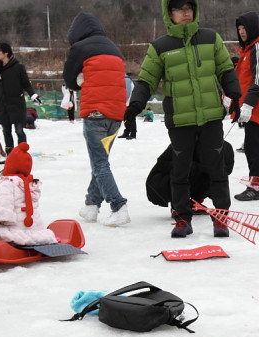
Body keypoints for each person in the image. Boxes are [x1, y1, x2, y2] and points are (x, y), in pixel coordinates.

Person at [126, 0, 241, 238]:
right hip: (180, 120)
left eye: (189, 8)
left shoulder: (211, 38)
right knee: (180, 170)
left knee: (216, 168)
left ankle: (220, 218)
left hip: (210, 116)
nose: (186, 13)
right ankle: (181, 219)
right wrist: (135, 104)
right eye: (179, 8)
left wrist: (235, 95)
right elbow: (147, 80)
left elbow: (225, 69)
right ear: (170, 13)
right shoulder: (160, 46)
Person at [64, 11, 130, 227]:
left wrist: (79, 81)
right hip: (116, 115)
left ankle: (118, 206)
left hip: (95, 114)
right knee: (100, 161)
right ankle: (91, 205)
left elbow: (69, 80)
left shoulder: (80, 48)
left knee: (100, 164)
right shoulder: (114, 48)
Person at [0, 142, 57, 247]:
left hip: (13, 232)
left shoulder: (7, 184)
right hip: (33, 231)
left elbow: (2, 209)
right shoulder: (31, 186)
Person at [232, 11, 259, 203]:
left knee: (253, 145)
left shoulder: (258, 49)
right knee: (255, 144)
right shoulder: (248, 51)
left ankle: (255, 186)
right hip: (252, 105)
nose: (241, 32)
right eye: (239, 29)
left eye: (244, 28)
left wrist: (248, 104)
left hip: (256, 105)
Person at [0, 42, 41, 156]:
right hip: (3, 105)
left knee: (19, 131)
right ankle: (10, 157)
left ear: (6, 53)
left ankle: (22, 155)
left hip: (16, 104)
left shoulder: (18, 67)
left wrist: (33, 95)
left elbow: (26, 84)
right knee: (6, 131)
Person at [145, 140, 234, 211]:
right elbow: (162, 163)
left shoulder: (225, 148)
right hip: (159, 184)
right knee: (186, 170)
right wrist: (191, 165)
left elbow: (226, 172)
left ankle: (195, 202)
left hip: (196, 175)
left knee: (215, 175)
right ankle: (178, 205)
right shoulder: (185, 142)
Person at [121, 73, 137, 139]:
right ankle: (127, 132)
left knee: (130, 118)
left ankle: (133, 134)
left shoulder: (126, 80)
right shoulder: (126, 79)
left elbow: (127, 92)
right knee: (126, 118)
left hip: (129, 103)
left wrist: (124, 102)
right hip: (128, 102)